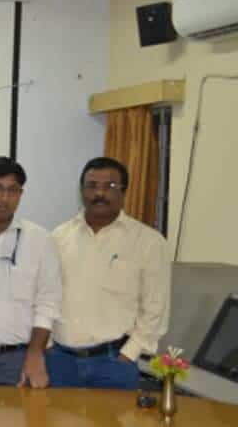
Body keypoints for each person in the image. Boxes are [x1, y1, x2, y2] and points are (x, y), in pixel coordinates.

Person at [47, 157, 170, 389]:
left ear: (124, 192)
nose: (99, 193)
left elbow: (155, 309)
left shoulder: (149, 242)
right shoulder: (58, 237)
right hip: (60, 362)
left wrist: (129, 354)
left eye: (110, 186)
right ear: (81, 190)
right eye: (92, 185)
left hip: (114, 364)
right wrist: (48, 346)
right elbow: (44, 296)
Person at [0, 157, 62, 388]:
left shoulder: (41, 240)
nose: (4, 198)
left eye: (12, 190)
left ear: (21, 194)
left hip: (19, 359)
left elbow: (48, 304)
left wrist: (35, 354)